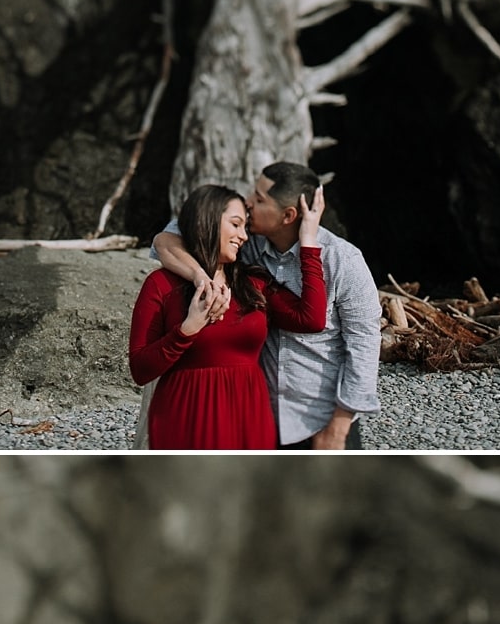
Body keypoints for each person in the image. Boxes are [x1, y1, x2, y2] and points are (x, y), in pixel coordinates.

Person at [151, 161, 382, 448]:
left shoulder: (343, 260)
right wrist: (201, 277)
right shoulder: (245, 245)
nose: (248, 203)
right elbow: (164, 240)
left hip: (321, 420)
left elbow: (364, 344)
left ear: (288, 215)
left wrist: (339, 425)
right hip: (259, 420)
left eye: (259, 199)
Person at [128, 182, 327, 449]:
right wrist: (187, 330)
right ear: (207, 222)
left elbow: (312, 319)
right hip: (185, 413)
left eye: (245, 227)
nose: (244, 236)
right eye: (235, 224)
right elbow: (140, 370)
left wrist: (309, 241)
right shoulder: (161, 284)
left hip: (249, 412)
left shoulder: (254, 283)